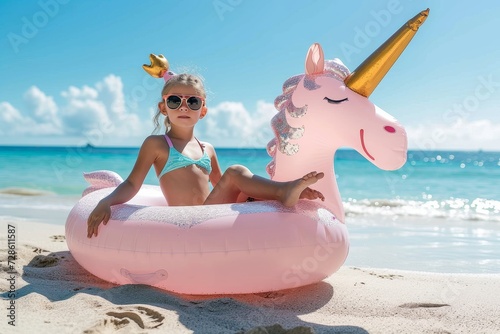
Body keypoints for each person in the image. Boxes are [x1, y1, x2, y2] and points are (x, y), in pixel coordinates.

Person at [87, 73, 325, 238]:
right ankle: (283, 190)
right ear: (163, 108)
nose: (183, 107)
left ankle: (286, 192)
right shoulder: (157, 144)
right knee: (236, 171)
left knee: (238, 176)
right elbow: (131, 183)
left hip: (211, 214)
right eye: (174, 100)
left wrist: (263, 198)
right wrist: (106, 201)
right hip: (187, 221)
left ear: (203, 111)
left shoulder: (207, 148)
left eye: (192, 101)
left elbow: (227, 187)